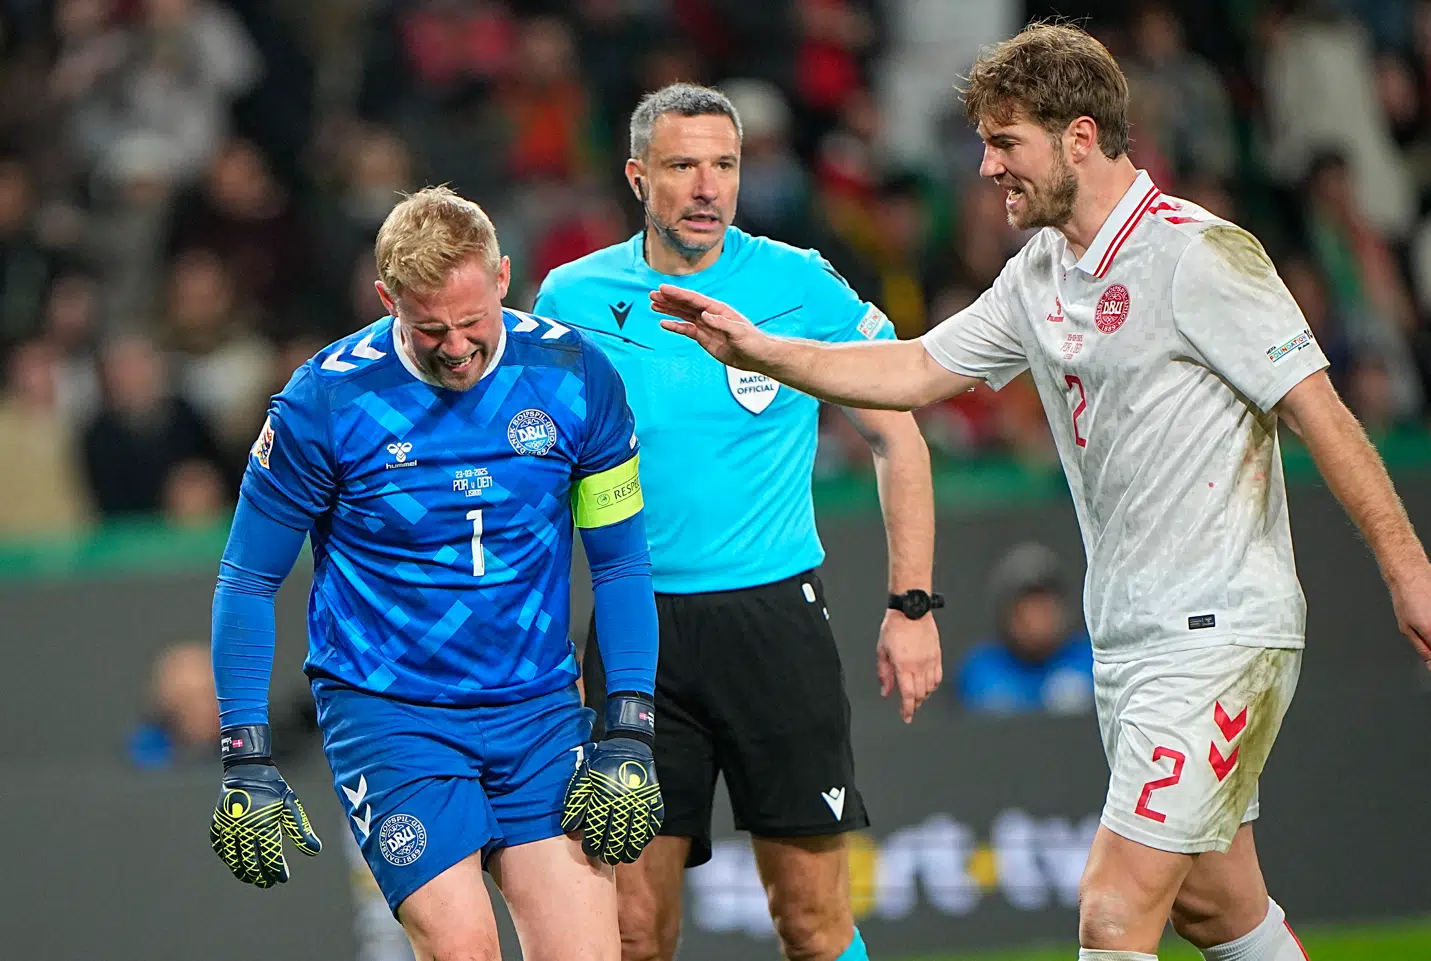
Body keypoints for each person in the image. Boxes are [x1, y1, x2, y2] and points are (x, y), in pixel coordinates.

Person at [651, 24, 1431, 961]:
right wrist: (759, 350)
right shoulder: (1040, 273)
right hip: (1131, 639)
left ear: (1078, 137)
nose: (986, 167)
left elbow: (1321, 413)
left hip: (1219, 630)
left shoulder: (1198, 255)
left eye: (1005, 142)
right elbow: (912, 369)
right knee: (1215, 905)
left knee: (1113, 912)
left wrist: (1410, 569)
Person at [533, 83, 939, 961]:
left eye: (725, 164)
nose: (708, 185)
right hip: (639, 636)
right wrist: (545, 644)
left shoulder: (797, 283)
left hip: (774, 624)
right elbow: (537, 485)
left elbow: (897, 435)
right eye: (683, 165)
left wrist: (912, 604)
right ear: (639, 176)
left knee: (813, 922)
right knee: (635, 931)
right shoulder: (572, 296)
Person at [207, 186, 665, 961]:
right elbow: (247, 579)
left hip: (538, 710)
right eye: (429, 330)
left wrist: (630, 727)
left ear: (503, 277)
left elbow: (620, 564)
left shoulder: (577, 377)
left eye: (471, 323)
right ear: (387, 298)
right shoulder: (324, 402)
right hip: (392, 716)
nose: (456, 348)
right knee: (462, 950)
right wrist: (244, 754)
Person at [956, 542, 1092, 715]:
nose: (1036, 620)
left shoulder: (1093, 661)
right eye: (1026, 608)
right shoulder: (981, 670)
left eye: (1044, 606)